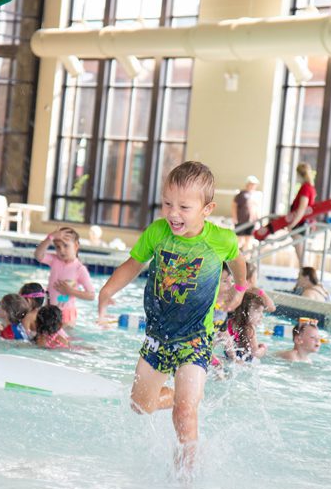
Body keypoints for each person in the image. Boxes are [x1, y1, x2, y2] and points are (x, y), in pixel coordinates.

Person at [97, 160, 248, 472]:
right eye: (167, 203)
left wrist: (241, 288)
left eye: (184, 207)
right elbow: (133, 263)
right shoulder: (157, 232)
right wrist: (107, 290)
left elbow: (238, 263)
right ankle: (179, 396)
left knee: (185, 413)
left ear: (207, 209)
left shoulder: (221, 240)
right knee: (141, 406)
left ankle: (184, 484)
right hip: (157, 336)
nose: (173, 213)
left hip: (196, 338)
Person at [34, 226, 95, 327]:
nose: (61, 250)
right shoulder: (54, 260)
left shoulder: (79, 269)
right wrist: (50, 237)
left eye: (66, 246)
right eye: (58, 247)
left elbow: (91, 295)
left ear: (76, 246)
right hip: (49, 310)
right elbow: (38, 255)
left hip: (66, 315)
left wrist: (70, 291)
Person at [286, 162, 317, 267]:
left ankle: (306, 280)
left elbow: (302, 209)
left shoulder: (305, 188)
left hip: (301, 224)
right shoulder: (310, 187)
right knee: (302, 257)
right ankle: (304, 279)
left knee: (302, 258)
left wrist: (292, 224)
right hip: (303, 223)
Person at [224, 291, 267, 362]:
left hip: (231, 360)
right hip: (246, 363)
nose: (261, 316)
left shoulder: (229, 323)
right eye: (258, 311)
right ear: (246, 311)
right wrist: (263, 348)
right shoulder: (249, 329)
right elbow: (255, 353)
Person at [231, 175, 260, 250]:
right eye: (251, 184)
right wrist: (234, 218)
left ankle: (246, 258)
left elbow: (256, 208)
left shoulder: (256, 195)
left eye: (254, 184)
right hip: (241, 220)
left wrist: (257, 218)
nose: (253, 186)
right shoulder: (241, 194)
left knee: (248, 240)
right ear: (247, 184)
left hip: (251, 221)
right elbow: (234, 205)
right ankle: (237, 257)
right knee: (239, 240)